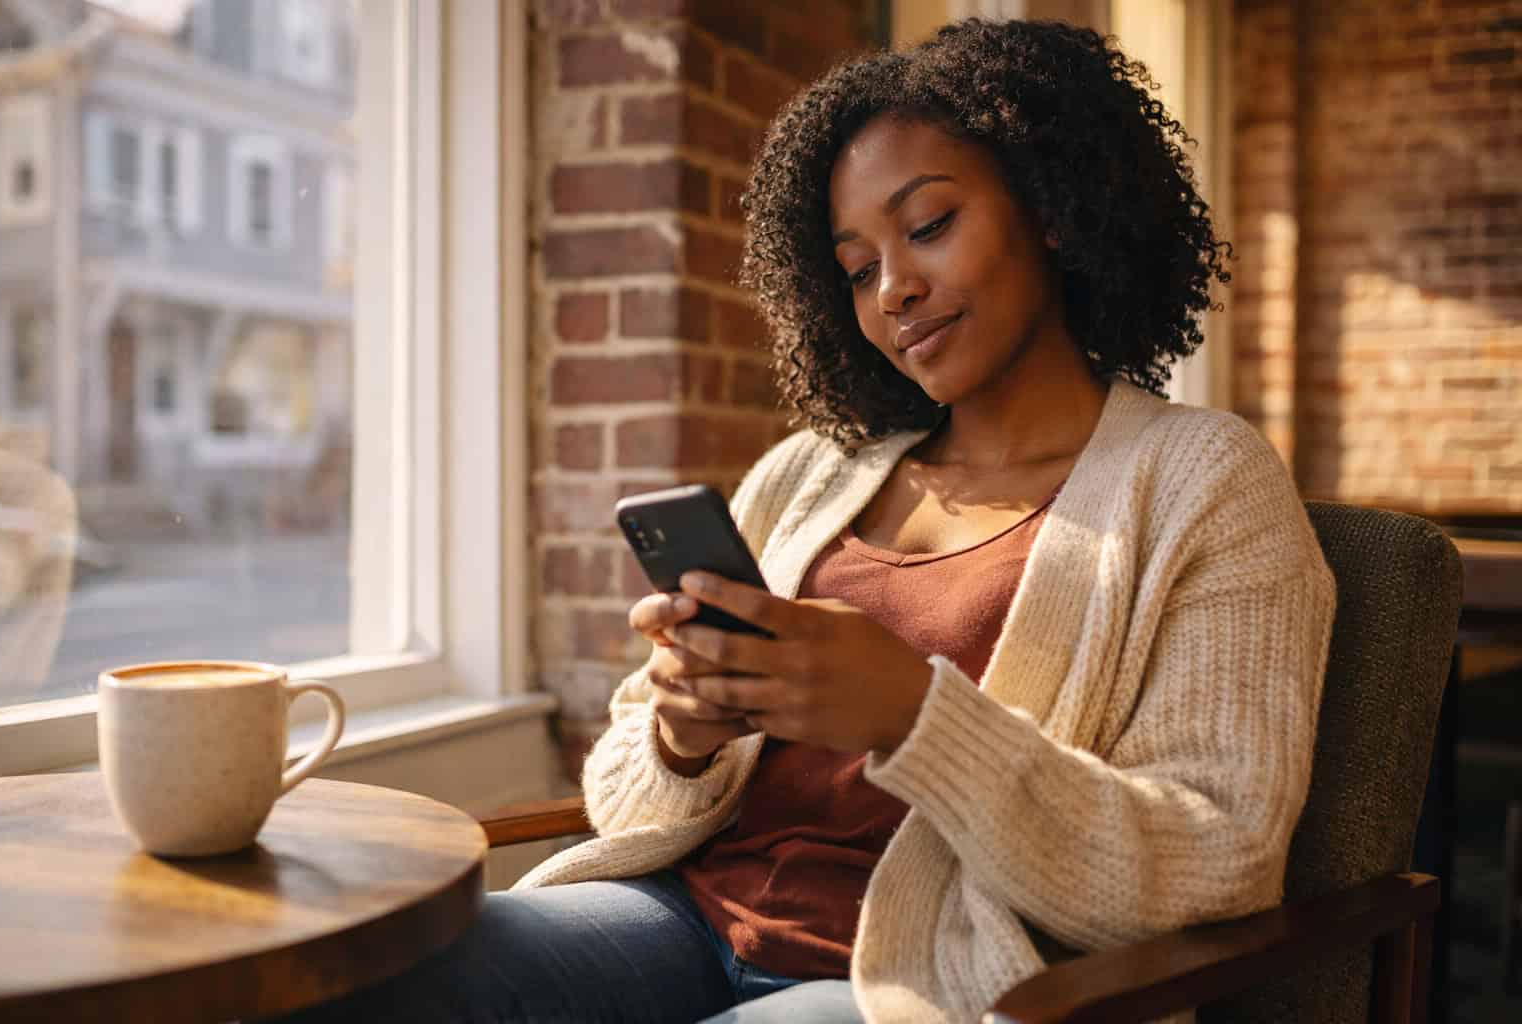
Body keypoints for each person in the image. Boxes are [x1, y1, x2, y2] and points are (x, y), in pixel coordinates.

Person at [282, 18, 1335, 1024]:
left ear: (1053, 206)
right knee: (352, 978)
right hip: (679, 920)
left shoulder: (1202, 481)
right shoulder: (806, 476)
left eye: (928, 227)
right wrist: (683, 737)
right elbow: (622, 797)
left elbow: (1217, 857)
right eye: (858, 268)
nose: (895, 293)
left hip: (930, 972)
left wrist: (912, 718)